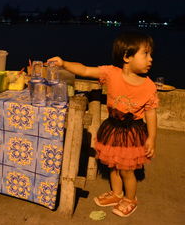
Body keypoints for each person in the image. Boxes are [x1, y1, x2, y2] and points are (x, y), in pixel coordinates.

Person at [47, 31, 158, 218]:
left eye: (150, 54)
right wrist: (64, 63)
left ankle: (131, 199)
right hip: (112, 128)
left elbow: (151, 113)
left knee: (127, 170)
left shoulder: (149, 86)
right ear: (126, 57)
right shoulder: (111, 73)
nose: (150, 59)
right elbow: (85, 70)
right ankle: (117, 194)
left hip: (132, 132)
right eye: (145, 54)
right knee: (113, 166)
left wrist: (152, 138)